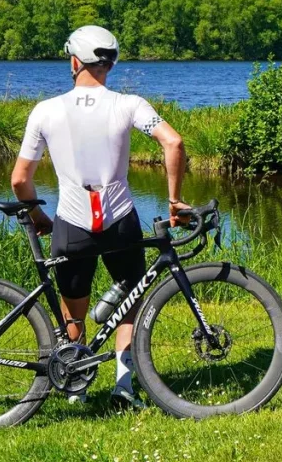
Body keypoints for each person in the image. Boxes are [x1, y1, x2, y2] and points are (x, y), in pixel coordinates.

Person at [10, 25, 189, 409]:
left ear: (74, 62)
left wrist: (39, 215)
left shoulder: (46, 110)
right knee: (130, 300)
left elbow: (19, 180)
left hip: (71, 222)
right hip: (121, 219)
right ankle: (125, 384)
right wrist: (174, 201)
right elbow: (173, 143)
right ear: (109, 64)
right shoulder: (130, 104)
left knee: (74, 310)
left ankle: (76, 385)